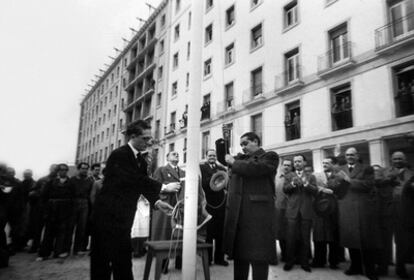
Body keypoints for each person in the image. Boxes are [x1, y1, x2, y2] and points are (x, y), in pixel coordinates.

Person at [90, 120, 180, 280]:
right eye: (145, 138)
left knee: (123, 260)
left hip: (124, 218)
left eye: (149, 138)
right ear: (133, 136)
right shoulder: (120, 154)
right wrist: (164, 187)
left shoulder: (140, 160)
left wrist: (157, 202)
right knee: (102, 262)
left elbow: (142, 185)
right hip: (106, 217)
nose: (149, 142)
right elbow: (133, 179)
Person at [224, 132, 279, 280]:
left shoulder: (270, 157)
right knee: (240, 259)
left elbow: (256, 168)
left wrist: (233, 163)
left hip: (258, 218)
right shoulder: (241, 160)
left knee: (259, 259)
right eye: (241, 144)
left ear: (256, 141)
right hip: (240, 217)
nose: (243, 147)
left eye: (245, 143)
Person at [338, 147, 380, 280]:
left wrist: (349, 181)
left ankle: (370, 270)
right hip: (346, 208)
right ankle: (355, 266)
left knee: (366, 240)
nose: (349, 157)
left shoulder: (367, 168)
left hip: (362, 208)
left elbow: (369, 185)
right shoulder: (341, 169)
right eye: (347, 155)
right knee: (351, 239)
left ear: (357, 156)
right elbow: (338, 188)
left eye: (352, 155)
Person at [377, 151, 414, 278]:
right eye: (395, 159)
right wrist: (390, 178)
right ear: (391, 160)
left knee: (402, 241)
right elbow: (376, 183)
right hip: (386, 210)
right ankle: (383, 267)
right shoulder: (384, 172)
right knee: (384, 240)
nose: (397, 161)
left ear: (405, 159)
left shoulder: (411, 174)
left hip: (404, 211)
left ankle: (401, 268)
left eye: (400, 158)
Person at [312, 156, 349, 269]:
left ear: (333, 164)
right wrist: (321, 189)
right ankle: (319, 260)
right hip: (319, 209)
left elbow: (343, 192)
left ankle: (334, 261)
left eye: (327, 163)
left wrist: (345, 181)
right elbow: (311, 188)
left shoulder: (340, 176)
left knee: (333, 236)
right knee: (319, 235)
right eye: (323, 163)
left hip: (333, 209)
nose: (324, 164)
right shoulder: (316, 175)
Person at [283, 155, 318, 272]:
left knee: (305, 238)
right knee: (291, 238)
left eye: (299, 161)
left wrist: (306, 184)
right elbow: (285, 189)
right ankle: (289, 262)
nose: (297, 163)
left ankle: (305, 263)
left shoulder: (311, 176)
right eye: (295, 162)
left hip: (306, 211)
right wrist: (292, 184)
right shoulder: (289, 176)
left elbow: (315, 191)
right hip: (292, 211)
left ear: (304, 163)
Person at [150, 151, 184, 273]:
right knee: (164, 235)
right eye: (173, 154)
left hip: (179, 206)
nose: (176, 155)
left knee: (180, 234)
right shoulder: (161, 170)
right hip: (166, 206)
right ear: (167, 157)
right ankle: (163, 265)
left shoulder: (183, 172)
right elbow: (154, 186)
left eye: (177, 154)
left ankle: (180, 263)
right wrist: (167, 186)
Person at [37, 163, 75, 261]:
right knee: (48, 232)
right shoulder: (51, 182)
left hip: (64, 210)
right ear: (58, 171)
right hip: (52, 210)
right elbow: (44, 196)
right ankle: (44, 253)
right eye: (61, 170)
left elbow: (73, 198)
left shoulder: (71, 183)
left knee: (61, 232)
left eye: (65, 170)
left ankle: (58, 252)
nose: (63, 172)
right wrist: (45, 210)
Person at [200, 149, 228, 266]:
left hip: (221, 203)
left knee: (220, 232)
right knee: (209, 233)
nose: (212, 157)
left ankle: (219, 259)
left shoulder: (221, 168)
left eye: (214, 155)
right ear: (206, 156)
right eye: (210, 155)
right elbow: (204, 183)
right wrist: (215, 176)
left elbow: (226, 181)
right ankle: (208, 259)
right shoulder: (201, 167)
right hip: (209, 203)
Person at [27, 164, 57, 253]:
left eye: (56, 169)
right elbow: (32, 191)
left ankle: (48, 246)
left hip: (53, 208)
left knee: (51, 229)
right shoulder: (42, 179)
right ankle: (35, 246)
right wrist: (38, 193)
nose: (54, 171)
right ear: (50, 169)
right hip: (41, 206)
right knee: (38, 228)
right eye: (53, 169)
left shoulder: (59, 180)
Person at [69, 162, 94, 255]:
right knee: (70, 226)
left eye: (86, 168)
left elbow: (91, 194)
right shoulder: (72, 180)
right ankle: (66, 248)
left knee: (81, 227)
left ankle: (77, 249)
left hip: (84, 204)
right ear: (78, 169)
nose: (84, 170)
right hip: (73, 203)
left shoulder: (89, 181)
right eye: (83, 168)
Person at [275, 159, 293, 263]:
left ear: (291, 167)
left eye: (288, 165)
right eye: (284, 165)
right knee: (281, 234)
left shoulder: (294, 178)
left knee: (292, 234)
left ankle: (292, 255)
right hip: (280, 210)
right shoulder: (277, 179)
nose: (286, 167)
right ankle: (284, 255)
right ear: (281, 166)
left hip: (292, 210)